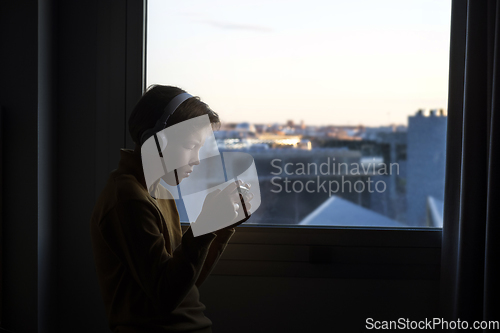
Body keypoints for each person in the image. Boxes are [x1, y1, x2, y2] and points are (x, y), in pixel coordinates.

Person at [90, 85, 252, 333]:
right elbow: (165, 295)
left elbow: (186, 284)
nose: (197, 159)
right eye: (190, 146)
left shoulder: (159, 192)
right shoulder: (128, 199)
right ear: (155, 142)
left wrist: (220, 226)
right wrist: (204, 226)